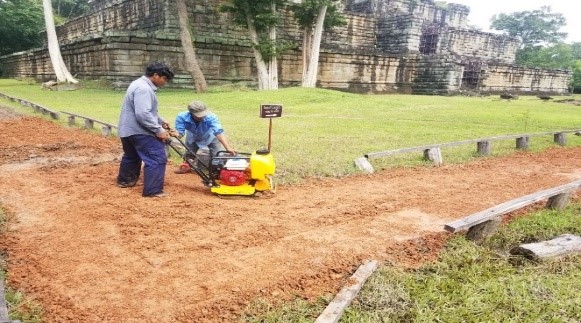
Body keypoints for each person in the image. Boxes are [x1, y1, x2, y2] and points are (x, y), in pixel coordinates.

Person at [116, 62, 174, 197]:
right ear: (155, 75)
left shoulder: (137, 84)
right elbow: (143, 114)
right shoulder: (144, 89)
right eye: (164, 78)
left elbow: (144, 110)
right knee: (157, 157)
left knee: (132, 155)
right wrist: (159, 130)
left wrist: (161, 121)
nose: (165, 82)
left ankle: (125, 181)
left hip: (127, 130)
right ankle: (153, 191)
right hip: (140, 131)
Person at [173, 100, 236, 173]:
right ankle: (187, 165)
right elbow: (180, 132)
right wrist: (176, 134)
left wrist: (227, 147)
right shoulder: (182, 117)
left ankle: (216, 170)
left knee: (216, 153)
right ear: (191, 113)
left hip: (211, 136)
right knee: (189, 152)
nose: (202, 116)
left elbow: (218, 132)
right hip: (193, 136)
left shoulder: (212, 117)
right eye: (199, 115)